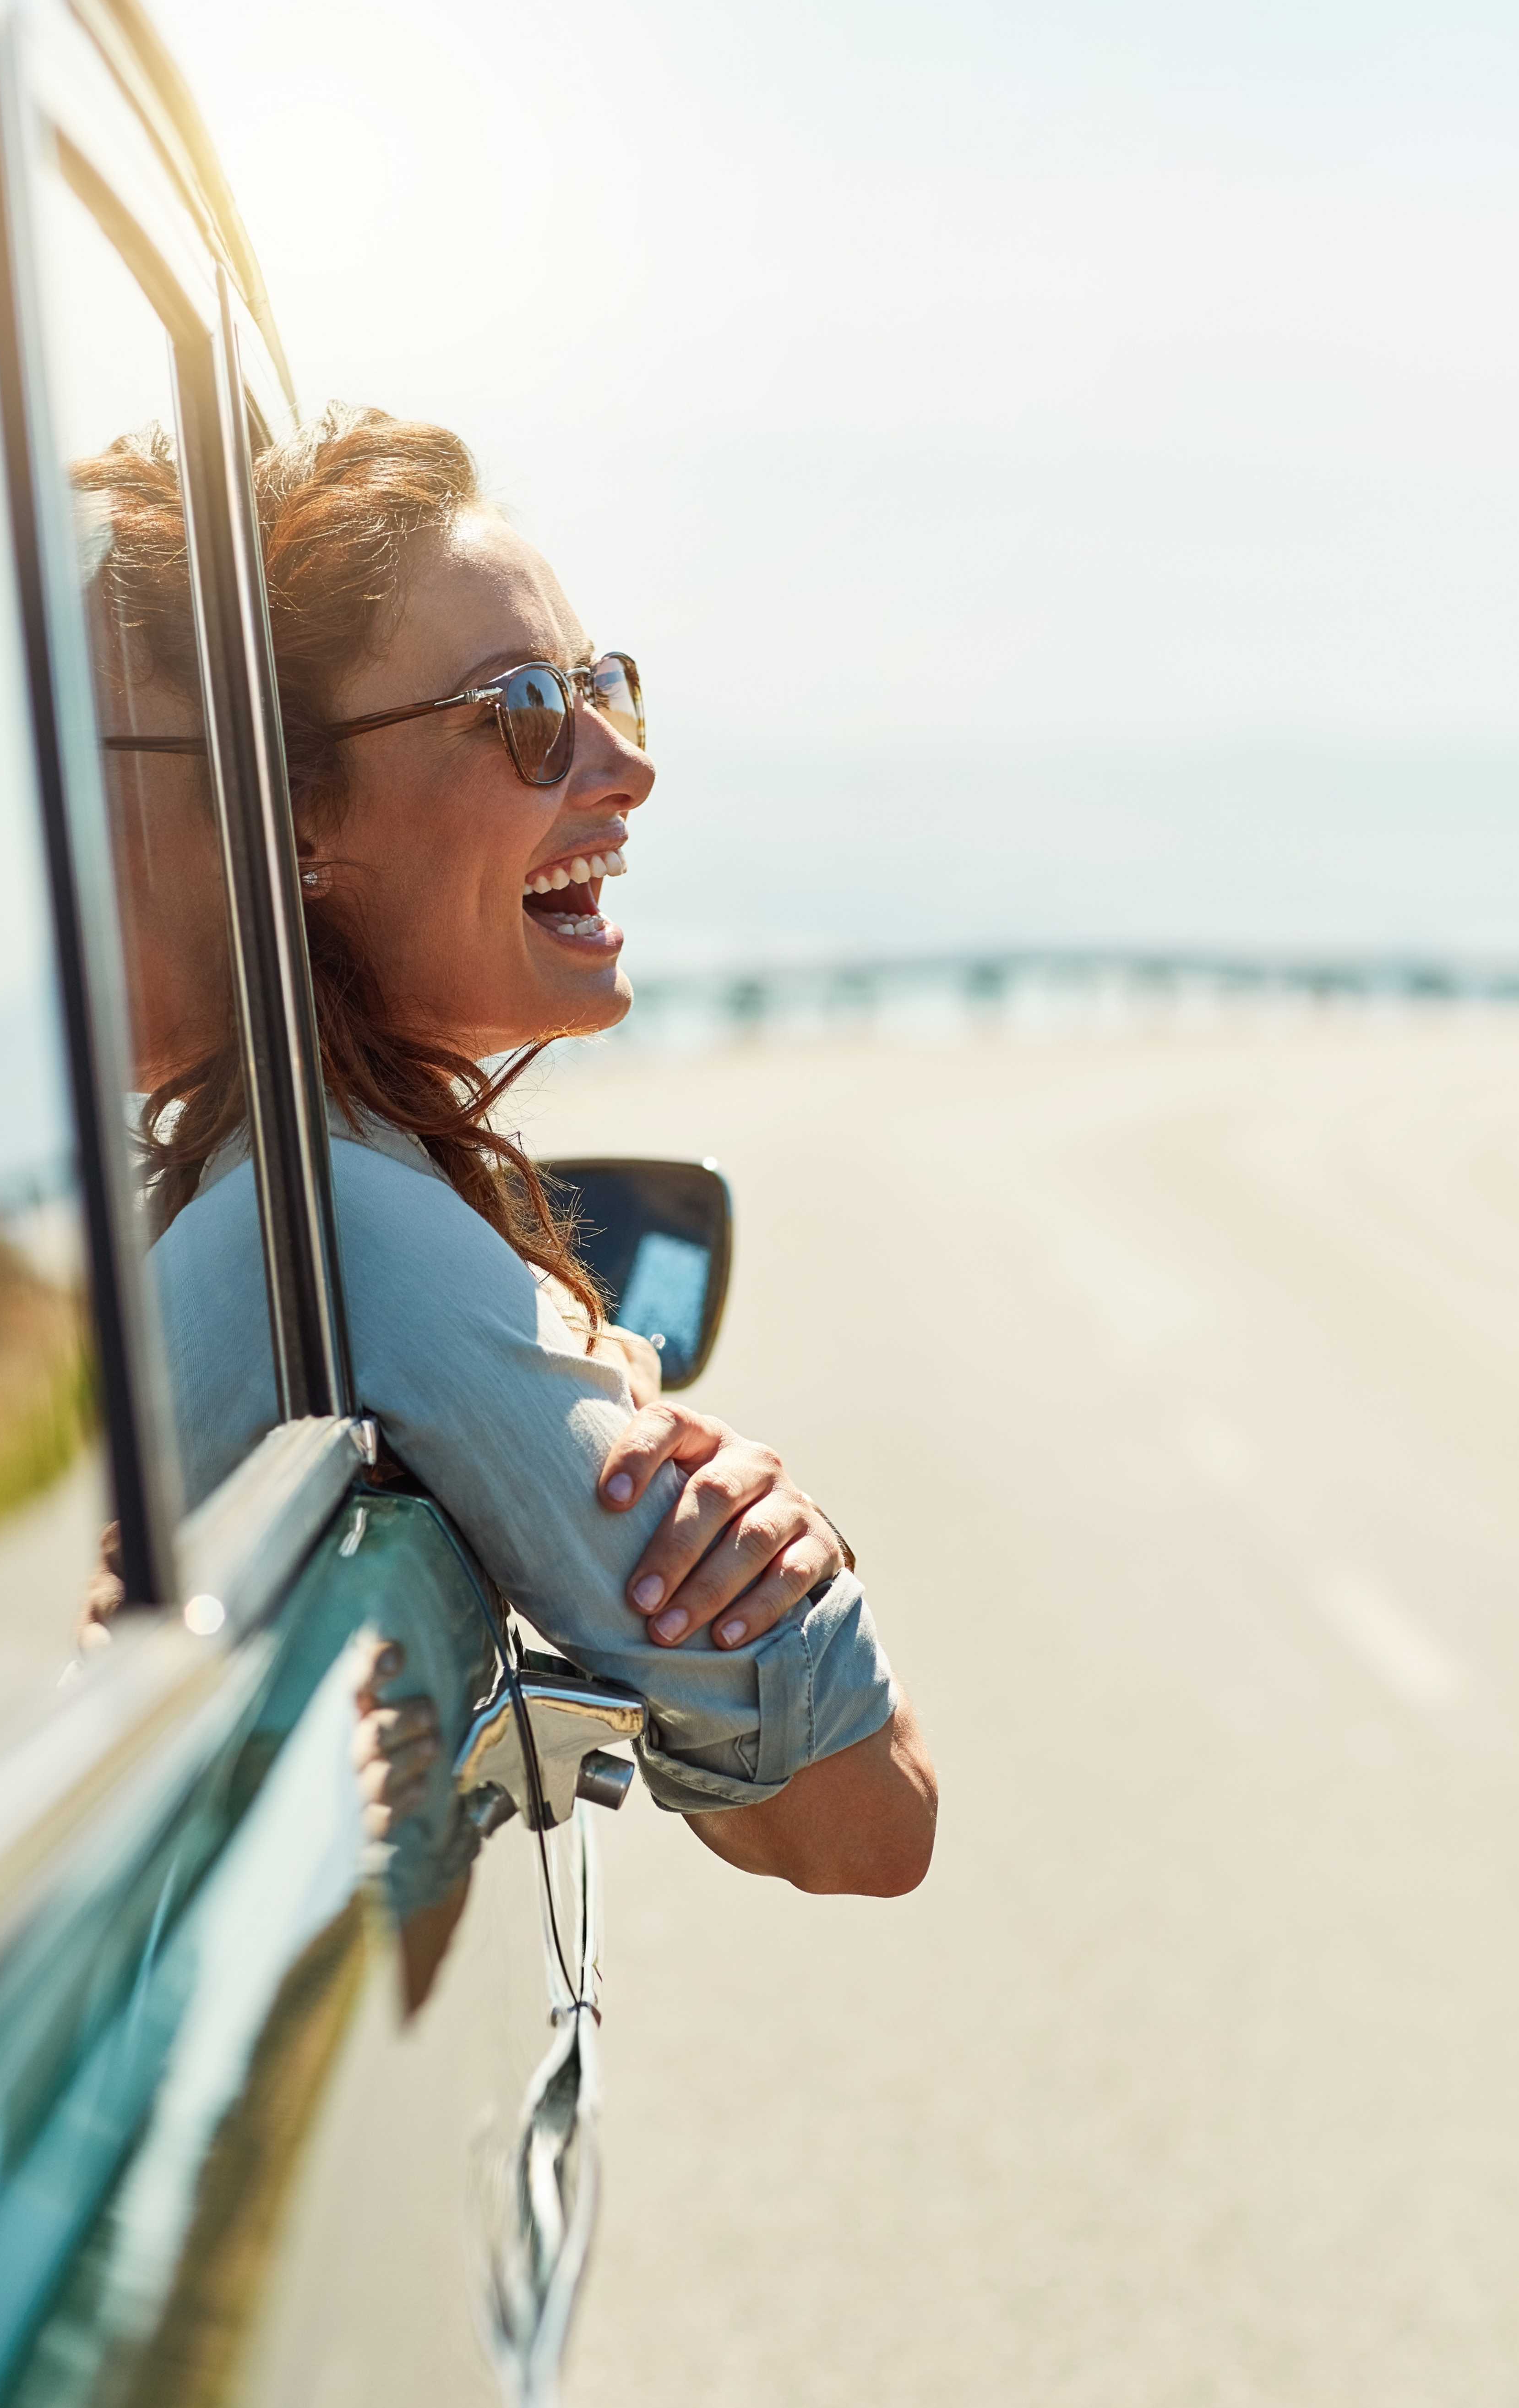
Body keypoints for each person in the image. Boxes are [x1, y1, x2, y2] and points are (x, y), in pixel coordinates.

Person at [89, 416, 936, 1897]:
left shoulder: (264, 1185)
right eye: (526, 711)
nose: (622, 766)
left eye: (609, 688)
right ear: (292, 822)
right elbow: (868, 1825)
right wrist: (792, 1563)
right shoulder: (343, 1220)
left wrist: (774, 1540)